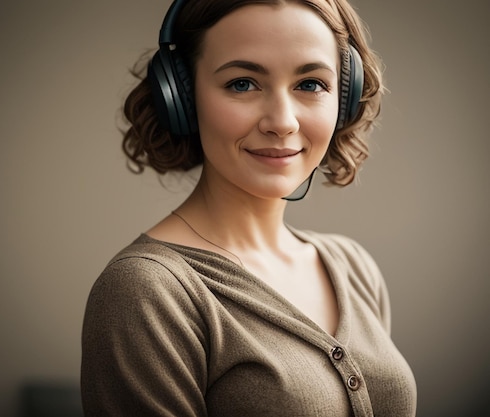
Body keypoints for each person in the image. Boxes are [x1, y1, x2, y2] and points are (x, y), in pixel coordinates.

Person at [81, 0, 417, 415]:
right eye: (243, 83)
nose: (282, 121)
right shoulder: (146, 292)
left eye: (310, 84)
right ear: (182, 98)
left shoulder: (353, 266)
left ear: (342, 99)